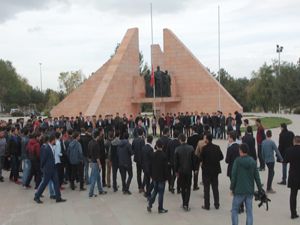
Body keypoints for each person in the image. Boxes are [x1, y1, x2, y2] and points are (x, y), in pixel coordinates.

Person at [230, 144, 264, 225]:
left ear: (241, 151)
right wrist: (260, 189)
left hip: (239, 190)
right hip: (249, 191)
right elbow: (257, 177)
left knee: (234, 210)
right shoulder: (252, 161)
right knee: (249, 212)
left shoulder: (237, 161)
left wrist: (232, 188)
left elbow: (233, 175)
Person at [34, 135, 66, 204]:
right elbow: (43, 159)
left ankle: (58, 197)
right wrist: (42, 168)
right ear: (52, 140)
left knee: (56, 183)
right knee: (44, 183)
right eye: (54, 140)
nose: (55, 141)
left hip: (53, 168)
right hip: (48, 169)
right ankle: (37, 196)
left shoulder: (51, 147)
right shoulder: (45, 148)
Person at [200, 133, 224, 210]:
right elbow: (221, 157)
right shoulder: (217, 147)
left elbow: (201, 159)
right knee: (215, 188)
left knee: (206, 189)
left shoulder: (204, 148)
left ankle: (207, 205)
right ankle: (216, 204)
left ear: (207, 139)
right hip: (215, 170)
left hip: (206, 171)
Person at [174, 134, 197, 211]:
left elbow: (176, 162)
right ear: (186, 139)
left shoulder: (177, 149)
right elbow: (194, 160)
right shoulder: (191, 148)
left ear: (180, 140)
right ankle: (186, 204)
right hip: (189, 171)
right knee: (188, 187)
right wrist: (195, 169)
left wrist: (176, 171)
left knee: (183, 187)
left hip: (181, 171)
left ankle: (184, 202)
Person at [147, 139, 168, 214]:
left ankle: (150, 204)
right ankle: (160, 208)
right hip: (161, 177)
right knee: (161, 193)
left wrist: (151, 175)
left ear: (156, 146)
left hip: (154, 177)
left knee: (155, 191)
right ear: (162, 146)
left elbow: (150, 166)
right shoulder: (164, 156)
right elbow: (166, 169)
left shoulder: (152, 154)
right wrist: (167, 178)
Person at [284, 136, 300, 219]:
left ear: (294, 141)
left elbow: (285, 161)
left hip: (293, 175)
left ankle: (293, 213)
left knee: (293, 195)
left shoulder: (289, 150)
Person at [88, 130, 107, 197]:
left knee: (98, 178)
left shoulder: (90, 142)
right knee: (94, 178)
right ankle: (91, 193)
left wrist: (90, 162)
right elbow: (97, 156)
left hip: (92, 162)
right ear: (98, 136)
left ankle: (100, 190)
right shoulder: (96, 144)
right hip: (96, 163)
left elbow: (89, 154)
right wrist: (99, 164)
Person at [187, 126, 203, 191]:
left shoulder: (189, 138)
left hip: (190, 156)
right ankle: (195, 185)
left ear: (193, 130)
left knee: (189, 170)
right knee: (196, 170)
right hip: (198, 156)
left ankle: (188, 184)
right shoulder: (200, 137)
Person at [166, 130, 181, 194]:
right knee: (177, 175)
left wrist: (168, 160)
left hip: (170, 161)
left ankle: (171, 186)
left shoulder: (170, 142)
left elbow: (167, 152)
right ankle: (178, 188)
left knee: (171, 175)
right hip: (177, 162)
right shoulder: (179, 143)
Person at [132, 128, 145, 193]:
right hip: (142, 159)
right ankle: (142, 186)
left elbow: (132, 149)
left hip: (137, 159)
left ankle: (139, 187)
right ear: (142, 133)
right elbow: (143, 150)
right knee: (145, 173)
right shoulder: (142, 140)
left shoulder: (134, 140)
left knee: (138, 173)